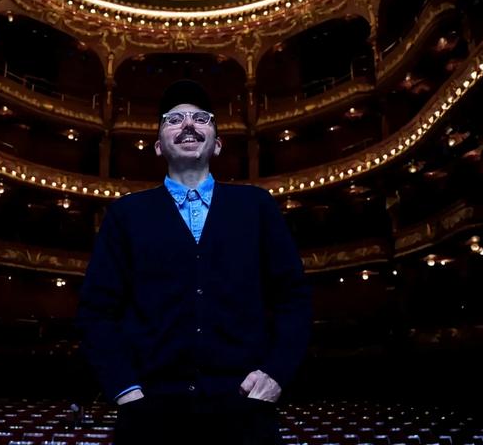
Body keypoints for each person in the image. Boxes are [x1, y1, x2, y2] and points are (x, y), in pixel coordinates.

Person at [76, 80, 312, 445]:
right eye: (174, 120)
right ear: (158, 146)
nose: (188, 124)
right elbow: (96, 310)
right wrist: (125, 388)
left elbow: (293, 298)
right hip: (149, 411)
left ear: (216, 143)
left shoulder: (257, 206)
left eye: (201, 118)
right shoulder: (125, 214)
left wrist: (276, 373)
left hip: (245, 406)